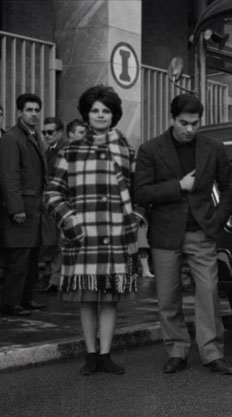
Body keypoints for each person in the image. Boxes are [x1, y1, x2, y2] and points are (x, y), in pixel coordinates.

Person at [134, 94, 232, 375]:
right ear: (172, 119)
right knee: (168, 297)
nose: (189, 129)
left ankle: (212, 352)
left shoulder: (213, 148)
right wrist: (178, 186)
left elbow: (229, 188)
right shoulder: (151, 149)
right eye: (183, 123)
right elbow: (141, 192)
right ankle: (177, 350)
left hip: (201, 230)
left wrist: (218, 219)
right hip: (165, 234)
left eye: (195, 123)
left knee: (209, 293)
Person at [45, 86, 142, 375]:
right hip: (82, 236)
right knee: (87, 299)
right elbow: (52, 194)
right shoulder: (70, 151)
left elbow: (139, 191)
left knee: (110, 298)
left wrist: (135, 217)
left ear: (114, 115)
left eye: (106, 111)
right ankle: (90, 355)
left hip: (116, 236)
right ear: (87, 115)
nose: (100, 115)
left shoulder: (127, 151)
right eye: (95, 110)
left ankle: (106, 355)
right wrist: (70, 221)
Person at [0, 93, 48, 316]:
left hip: (35, 208)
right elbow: (9, 176)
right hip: (21, 208)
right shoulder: (12, 138)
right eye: (29, 110)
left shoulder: (34, 134)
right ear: (19, 112)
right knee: (17, 258)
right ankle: (11, 303)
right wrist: (16, 207)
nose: (34, 114)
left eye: (37, 110)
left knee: (31, 257)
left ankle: (26, 299)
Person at [38, 117, 67, 293]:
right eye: (44, 132)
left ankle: (55, 279)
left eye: (51, 132)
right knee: (50, 240)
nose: (47, 135)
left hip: (58, 201)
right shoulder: (48, 150)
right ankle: (51, 277)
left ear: (60, 132)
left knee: (58, 242)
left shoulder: (63, 150)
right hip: (48, 201)